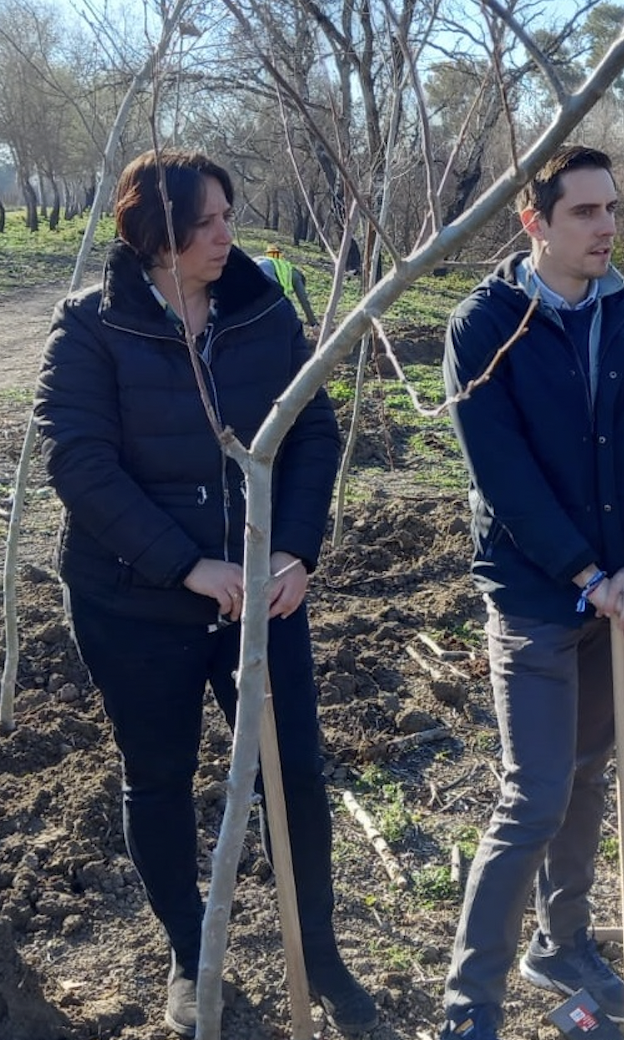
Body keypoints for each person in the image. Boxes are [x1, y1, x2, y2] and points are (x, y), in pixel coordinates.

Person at [33, 150, 376, 1038]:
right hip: (132, 603)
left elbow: (311, 430)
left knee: (293, 772)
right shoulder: (90, 328)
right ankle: (192, 955)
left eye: (230, 215)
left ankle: (320, 953)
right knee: (160, 778)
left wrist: (293, 552)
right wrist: (189, 566)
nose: (229, 235)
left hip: (264, 600)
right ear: (155, 232)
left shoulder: (262, 311)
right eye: (208, 222)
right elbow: (81, 463)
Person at [438, 145, 624, 1040]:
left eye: (612, 208)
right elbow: (500, 473)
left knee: (586, 778)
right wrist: (586, 572)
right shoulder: (485, 325)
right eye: (585, 212)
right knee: (534, 792)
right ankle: (471, 1004)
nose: (607, 227)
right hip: (540, 595)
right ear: (534, 222)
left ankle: (562, 942)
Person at [255, 243, 319, 326]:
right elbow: (304, 301)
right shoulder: (297, 277)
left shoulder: (285, 268)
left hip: (254, 263)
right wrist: (313, 323)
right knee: (275, 303)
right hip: (266, 268)